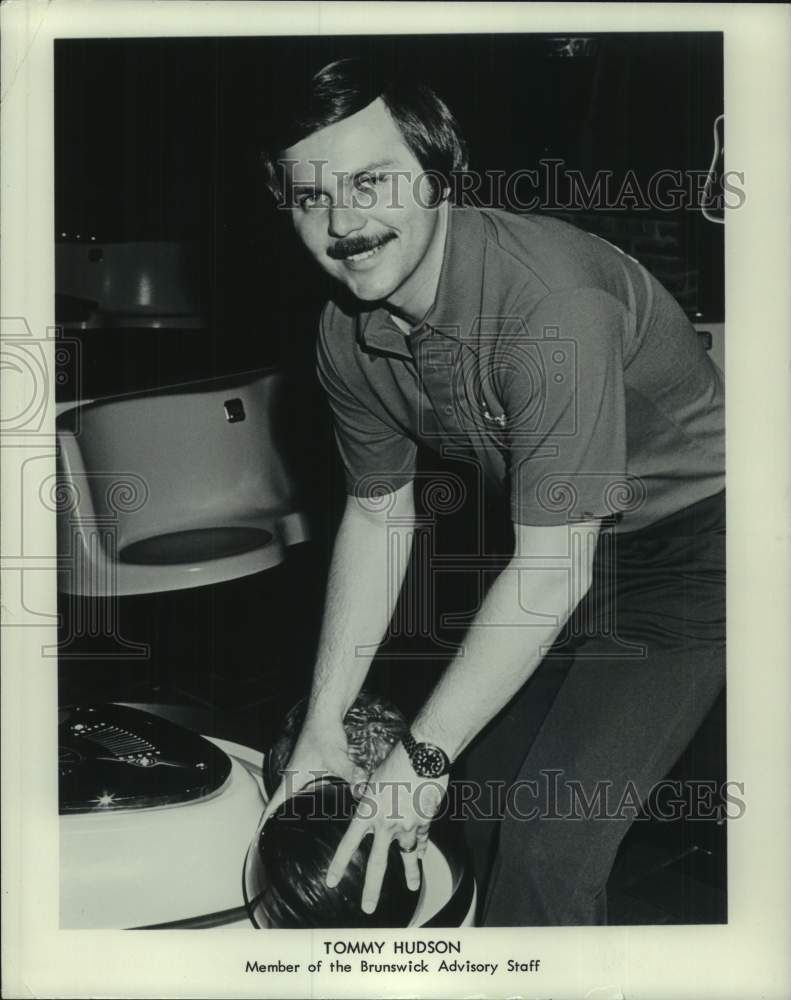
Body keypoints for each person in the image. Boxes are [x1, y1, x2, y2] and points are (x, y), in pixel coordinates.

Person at [259, 57, 725, 926]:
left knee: (545, 844)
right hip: (562, 546)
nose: (343, 222)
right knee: (482, 795)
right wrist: (324, 725)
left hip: (700, 549)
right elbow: (376, 514)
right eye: (309, 197)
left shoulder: (550, 305)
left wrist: (416, 759)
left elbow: (552, 572)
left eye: (370, 180)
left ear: (440, 176)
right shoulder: (345, 330)